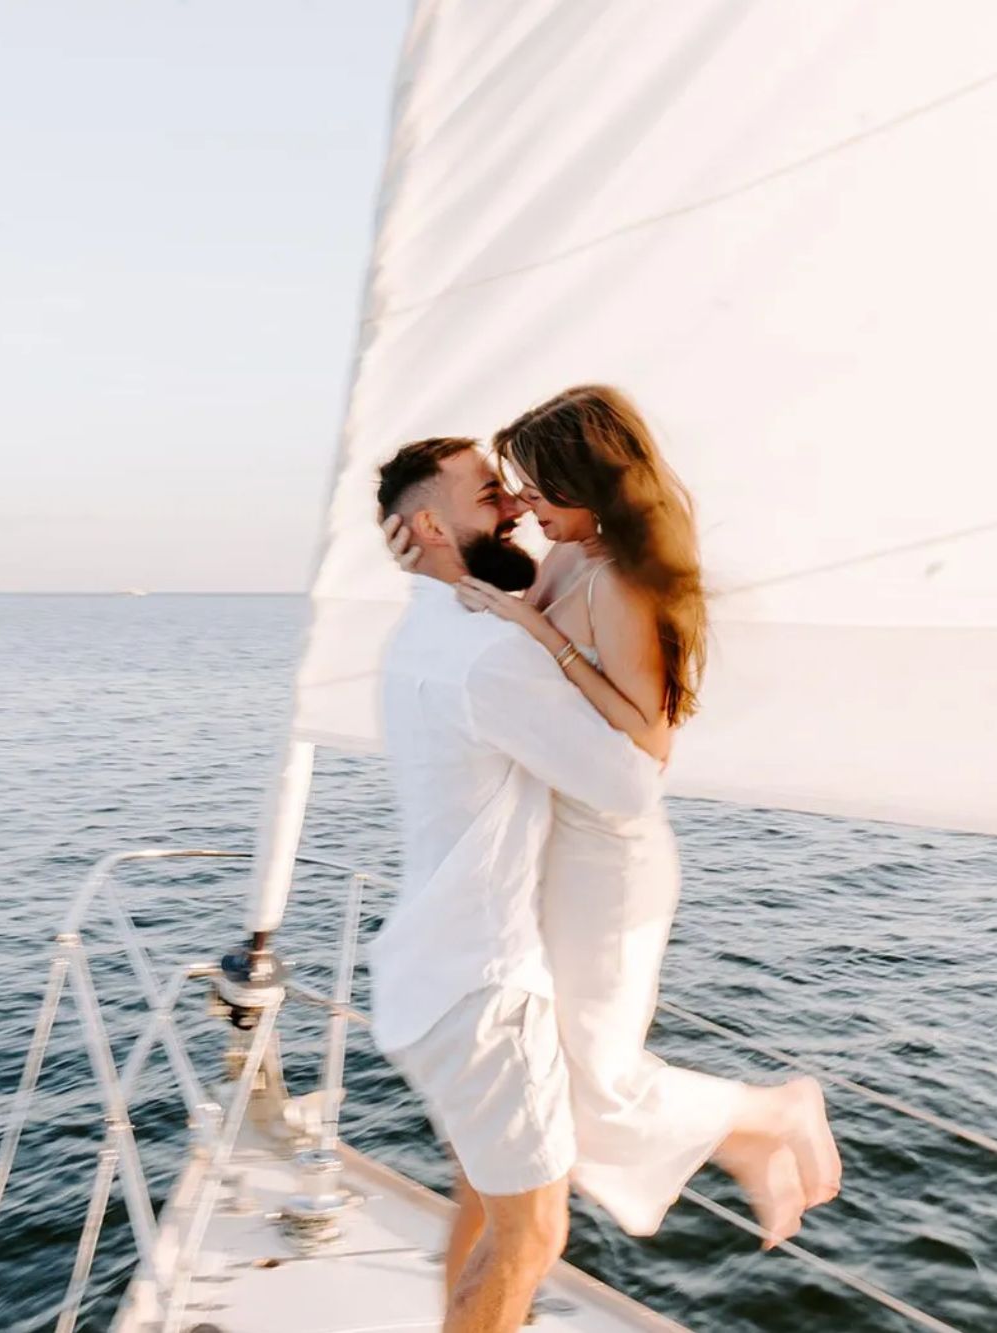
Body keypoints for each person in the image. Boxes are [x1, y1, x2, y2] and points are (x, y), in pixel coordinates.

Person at [383, 386, 841, 1246]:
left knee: (596, 1082)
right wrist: (421, 546)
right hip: (561, 843)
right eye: (510, 489)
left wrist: (544, 635)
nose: (521, 506)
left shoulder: (627, 584)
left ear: (590, 489)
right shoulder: (563, 557)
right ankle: (748, 1136)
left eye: (535, 490)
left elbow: (648, 743)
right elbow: (475, 583)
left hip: (611, 856)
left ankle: (771, 1113)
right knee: (569, 1079)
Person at [368, 436, 666, 1333]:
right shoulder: (489, 652)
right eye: (491, 493)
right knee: (532, 1233)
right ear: (427, 521)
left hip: (428, 976)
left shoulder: (419, 627)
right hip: (487, 989)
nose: (512, 507)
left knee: (484, 1201)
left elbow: (542, 563)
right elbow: (627, 787)